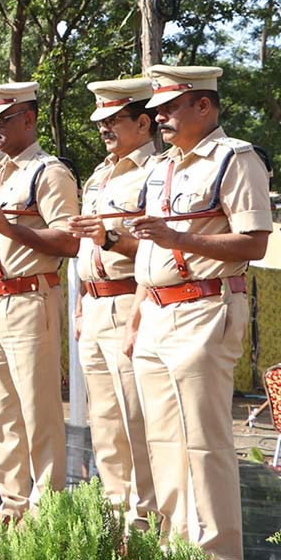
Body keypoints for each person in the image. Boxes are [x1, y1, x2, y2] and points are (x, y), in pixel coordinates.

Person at [125, 65, 271, 560]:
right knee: (164, 442)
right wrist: (139, 312)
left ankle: (216, 553)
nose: (159, 117)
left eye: (169, 108)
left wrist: (180, 238)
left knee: (205, 446)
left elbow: (254, 242)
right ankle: (175, 547)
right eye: (157, 109)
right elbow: (150, 255)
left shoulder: (236, 159)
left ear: (203, 106)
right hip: (157, 312)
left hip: (205, 307)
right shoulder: (162, 166)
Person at [0, 81, 79, 535]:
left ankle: (45, 507)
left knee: (39, 411)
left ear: (28, 119)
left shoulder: (48, 173)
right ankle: (12, 504)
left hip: (32, 297)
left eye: (2, 120)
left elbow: (68, 239)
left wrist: (15, 230)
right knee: (4, 412)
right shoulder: (1, 172)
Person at [65, 78, 158, 526]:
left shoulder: (156, 173)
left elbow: (162, 250)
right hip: (96, 305)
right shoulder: (101, 174)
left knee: (135, 420)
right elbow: (87, 249)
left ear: (143, 122)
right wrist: (83, 301)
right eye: (99, 119)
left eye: (112, 119)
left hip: (131, 302)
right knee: (103, 423)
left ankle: (144, 521)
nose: (103, 128)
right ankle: (116, 515)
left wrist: (111, 238)